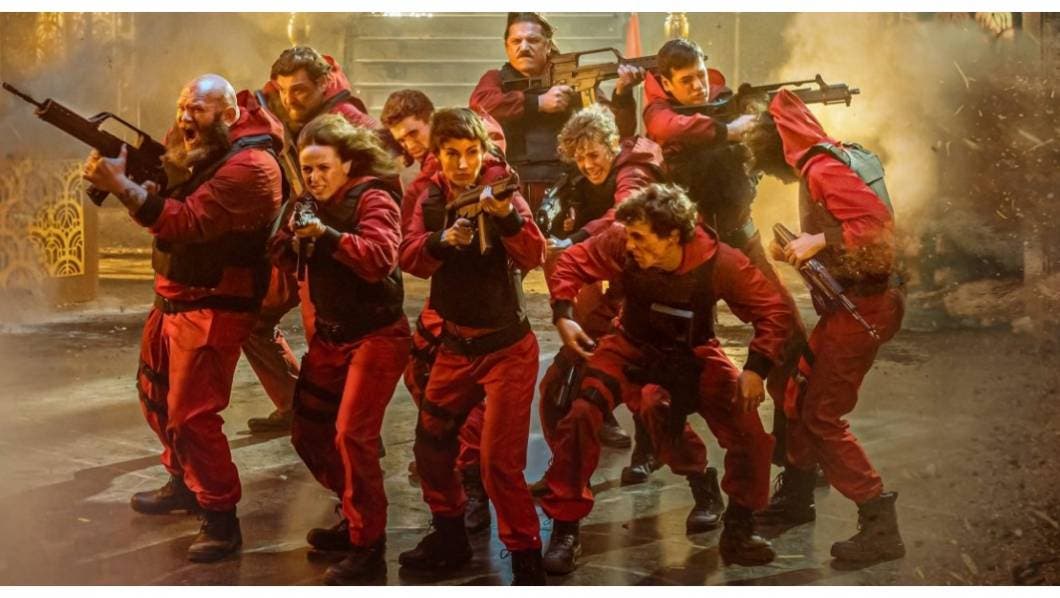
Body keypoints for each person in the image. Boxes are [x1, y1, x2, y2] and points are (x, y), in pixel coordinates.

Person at [538, 183, 794, 574]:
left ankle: (739, 526)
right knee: (582, 415)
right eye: (630, 235)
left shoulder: (720, 261)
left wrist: (756, 368)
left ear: (673, 235)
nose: (631, 245)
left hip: (694, 354)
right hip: (629, 347)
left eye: (640, 237)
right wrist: (563, 313)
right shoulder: (623, 242)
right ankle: (565, 526)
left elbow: (773, 311)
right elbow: (574, 261)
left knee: (748, 433)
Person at [81, 74, 283, 562]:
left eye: (198, 109)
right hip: (174, 296)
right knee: (155, 397)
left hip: (215, 304)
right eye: (182, 106)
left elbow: (187, 221)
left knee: (192, 417)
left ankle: (220, 516)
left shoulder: (252, 166)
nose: (185, 117)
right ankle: (185, 482)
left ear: (229, 114)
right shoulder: (201, 152)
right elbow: (168, 210)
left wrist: (124, 187)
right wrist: (139, 187)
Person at [744, 90, 906, 565]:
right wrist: (803, 248)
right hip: (854, 304)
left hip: (863, 308)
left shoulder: (821, 168)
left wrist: (819, 239)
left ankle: (879, 523)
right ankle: (797, 498)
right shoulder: (833, 157)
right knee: (798, 396)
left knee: (820, 415)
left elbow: (876, 228)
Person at [643, 38, 809, 469]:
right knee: (665, 352)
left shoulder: (725, 102)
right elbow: (667, 128)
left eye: (700, 75)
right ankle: (654, 449)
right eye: (686, 80)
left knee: (789, 335)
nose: (697, 86)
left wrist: (760, 121)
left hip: (741, 238)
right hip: (690, 253)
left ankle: (792, 448)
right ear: (666, 83)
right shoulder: (661, 114)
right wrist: (727, 130)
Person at [398, 108, 547, 585]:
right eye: (451, 153)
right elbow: (409, 256)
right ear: (437, 155)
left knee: (499, 463)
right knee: (431, 443)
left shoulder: (502, 191)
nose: (463, 163)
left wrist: (505, 218)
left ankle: (526, 559)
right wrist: (442, 242)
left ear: (483, 152)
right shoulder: (427, 196)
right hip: (455, 346)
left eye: (471, 152)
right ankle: (449, 536)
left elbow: (535, 254)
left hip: (507, 349)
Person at [267, 114, 410, 584]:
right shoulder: (308, 202)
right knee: (309, 431)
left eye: (323, 167)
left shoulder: (373, 197)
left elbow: (379, 258)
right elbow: (279, 251)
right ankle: (355, 511)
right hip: (331, 337)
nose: (314, 177)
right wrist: (293, 236)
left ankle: (369, 545)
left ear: (347, 163)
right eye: (307, 169)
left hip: (377, 335)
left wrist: (326, 237)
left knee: (352, 436)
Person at [245, 46, 385, 434]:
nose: (290, 99)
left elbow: (383, 177)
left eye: (300, 91)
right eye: (284, 90)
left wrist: (345, 228)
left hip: (336, 248)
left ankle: (353, 432)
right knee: (253, 318)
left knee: (330, 340)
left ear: (324, 84)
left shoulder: (351, 121)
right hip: (301, 239)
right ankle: (296, 404)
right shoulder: (285, 107)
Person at [535, 105, 669, 479]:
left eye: (594, 155)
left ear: (612, 145)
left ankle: (649, 450)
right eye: (580, 158)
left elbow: (625, 213)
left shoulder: (634, 172)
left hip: (652, 277)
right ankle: (584, 445)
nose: (588, 164)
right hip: (619, 274)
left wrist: (577, 236)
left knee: (643, 369)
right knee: (580, 361)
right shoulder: (585, 179)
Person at [380, 89, 490, 533]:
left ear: (431, 120)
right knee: (421, 371)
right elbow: (411, 249)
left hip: (487, 298)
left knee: (470, 390)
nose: (409, 144)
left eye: (413, 133)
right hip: (446, 294)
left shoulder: (478, 163)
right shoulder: (426, 185)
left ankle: (472, 478)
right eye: (402, 139)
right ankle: (448, 455)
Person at [470, 12, 643, 214]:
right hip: (514, 185)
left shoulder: (571, 76)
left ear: (548, 45)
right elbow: (479, 105)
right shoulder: (496, 80)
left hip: (569, 185)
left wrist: (623, 95)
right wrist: (537, 102)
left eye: (533, 40)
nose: (524, 47)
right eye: (516, 41)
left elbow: (616, 131)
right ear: (506, 46)